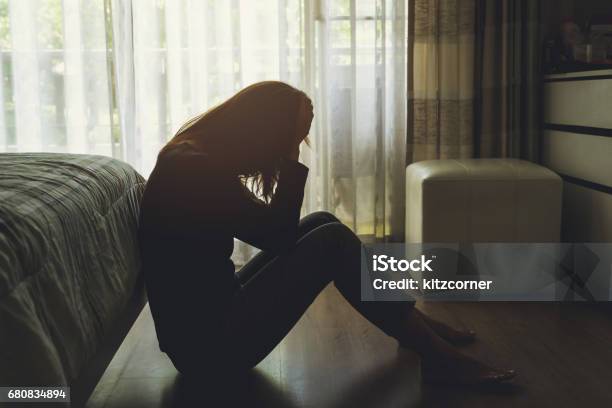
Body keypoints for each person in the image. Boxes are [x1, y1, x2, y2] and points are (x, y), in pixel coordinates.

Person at [138, 81, 515, 386]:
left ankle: (410, 323)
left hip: (204, 330)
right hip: (212, 350)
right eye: (292, 139)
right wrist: (290, 161)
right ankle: (438, 357)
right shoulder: (195, 169)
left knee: (322, 221)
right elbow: (279, 236)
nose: (294, 148)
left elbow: (271, 232)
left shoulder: (191, 156)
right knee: (331, 241)